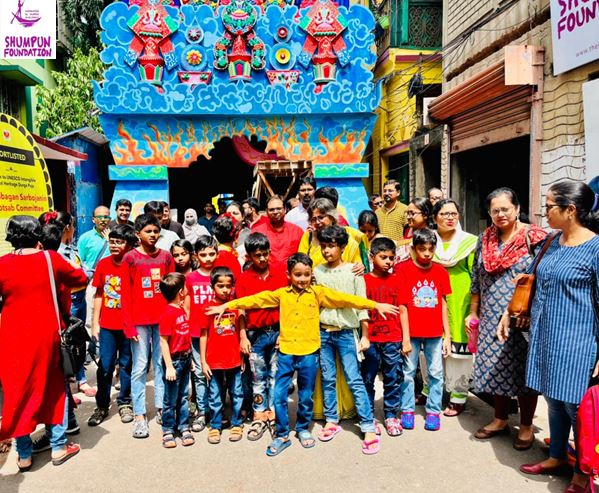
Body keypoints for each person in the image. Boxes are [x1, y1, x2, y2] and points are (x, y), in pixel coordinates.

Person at [206, 253, 400, 456]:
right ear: (288, 275)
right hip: (286, 353)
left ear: (311, 275)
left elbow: (345, 299)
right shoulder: (281, 294)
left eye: (306, 274)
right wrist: (226, 305)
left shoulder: (317, 293)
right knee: (279, 395)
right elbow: (255, 300)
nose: (302, 279)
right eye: (297, 274)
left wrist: (375, 305)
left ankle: (301, 429)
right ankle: (282, 434)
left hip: (309, 353)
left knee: (306, 396)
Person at [503, 181, 599, 493]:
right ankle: (557, 456)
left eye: (549, 207)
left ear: (570, 210)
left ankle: (583, 474)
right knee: (554, 402)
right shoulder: (552, 242)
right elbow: (528, 279)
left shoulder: (596, 249)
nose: (544, 213)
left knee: (577, 409)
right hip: (546, 337)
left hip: (579, 342)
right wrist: (509, 313)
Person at [0, 215, 87, 470]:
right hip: (47, 335)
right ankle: (59, 447)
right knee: (54, 388)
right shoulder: (51, 259)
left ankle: (24, 454)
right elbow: (81, 279)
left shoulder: (3, 264)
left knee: (17, 392)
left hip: (12, 338)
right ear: (38, 233)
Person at [468, 188, 546, 449]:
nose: (500, 214)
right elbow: (476, 278)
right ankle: (500, 419)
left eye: (505, 209)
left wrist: (528, 310)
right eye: (495, 210)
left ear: (517, 208)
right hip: (491, 315)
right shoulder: (486, 238)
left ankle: (525, 426)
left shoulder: (534, 237)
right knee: (495, 368)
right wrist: (474, 310)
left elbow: (544, 278)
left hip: (524, 316)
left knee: (524, 371)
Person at [312, 226, 381, 453]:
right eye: (323, 246)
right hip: (323, 332)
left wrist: (365, 336)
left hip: (347, 333)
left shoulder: (354, 271)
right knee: (328, 378)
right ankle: (332, 420)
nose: (327, 250)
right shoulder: (316, 272)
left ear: (343, 248)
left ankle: (368, 425)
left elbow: (362, 305)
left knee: (354, 378)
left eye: (331, 246)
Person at [121, 213, 175, 439]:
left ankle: (162, 408)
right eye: (148, 231)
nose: (153, 235)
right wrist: (128, 326)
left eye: (155, 231)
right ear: (137, 234)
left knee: (161, 365)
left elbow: (173, 289)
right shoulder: (130, 259)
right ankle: (140, 415)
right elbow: (124, 293)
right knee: (140, 367)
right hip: (138, 322)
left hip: (162, 319)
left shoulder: (165, 257)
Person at [397, 228, 451, 432]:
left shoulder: (440, 272)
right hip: (411, 332)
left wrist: (448, 335)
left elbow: (443, 304)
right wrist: (405, 338)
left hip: (435, 333)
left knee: (436, 373)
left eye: (431, 248)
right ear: (413, 249)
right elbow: (402, 306)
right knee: (408, 372)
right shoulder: (403, 270)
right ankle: (407, 410)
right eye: (422, 249)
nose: (427, 253)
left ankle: (433, 412)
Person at [236, 233, 287, 441]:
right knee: (258, 378)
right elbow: (240, 309)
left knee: (276, 377)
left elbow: (286, 306)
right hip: (254, 336)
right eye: (258, 255)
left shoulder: (280, 275)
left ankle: (274, 416)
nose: (263, 259)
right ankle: (259, 415)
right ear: (249, 256)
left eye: (266, 254)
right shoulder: (244, 279)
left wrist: (283, 333)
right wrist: (242, 336)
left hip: (276, 332)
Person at [41, 211, 96, 398]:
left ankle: (79, 380)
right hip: (68, 300)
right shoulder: (55, 253)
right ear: (67, 228)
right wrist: (86, 272)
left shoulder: (70, 248)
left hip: (79, 297)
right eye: (72, 225)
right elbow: (77, 274)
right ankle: (67, 387)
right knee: (67, 343)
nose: (73, 229)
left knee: (78, 342)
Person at [432, 199, 477, 417]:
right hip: (431, 295)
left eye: (453, 213)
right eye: (444, 214)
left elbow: (476, 276)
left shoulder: (469, 242)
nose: (450, 218)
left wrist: (475, 306)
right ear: (434, 218)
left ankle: (458, 394)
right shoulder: (426, 241)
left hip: (460, 296)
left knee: (459, 346)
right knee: (431, 342)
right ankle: (430, 387)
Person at [88, 224, 137, 427]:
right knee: (105, 366)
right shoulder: (103, 264)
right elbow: (99, 293)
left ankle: (125, 402)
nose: (114, 245)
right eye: (112, 241)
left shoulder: (133, 264)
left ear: (129, 245)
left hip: (128, 326)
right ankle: (101, 404)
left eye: (119, 242)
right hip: (107, 325)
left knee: (126, 365)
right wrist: (94, 324)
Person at [361, 237, 409, 436]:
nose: (388, 261)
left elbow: (403, 310)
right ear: (372, 257)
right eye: (383, 257)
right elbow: (361, 310)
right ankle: (368, 414)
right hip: (370, 340)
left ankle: (390, 414)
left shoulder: (398, 279)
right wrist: (363, 337)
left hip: (393, 338)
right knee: (368, 378)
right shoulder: (363, 280)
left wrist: (406, 339)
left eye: (391, 258)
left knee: (392, 377)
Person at [199, 267, 250, 444]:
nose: (225, 289)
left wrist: (243, 357)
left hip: (234, 360)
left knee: (237, 393)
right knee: (214, 395)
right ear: (212, 286)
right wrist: (203, 361)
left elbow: (241, 331)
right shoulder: (207, 308)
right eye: (220, 285)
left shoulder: (236, 307)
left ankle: (237, 423)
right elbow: (203, 335)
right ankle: (215, 425)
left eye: (229, 286)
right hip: (213, 362)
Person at [185, 235, 218, 432]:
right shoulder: (190, 278)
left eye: (211, 254)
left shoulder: (223, 275)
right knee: (199, 373)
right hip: (197, 333)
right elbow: (187, 309)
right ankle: (202, 411)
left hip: (220, 333)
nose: (208, 258)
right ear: (196, 256)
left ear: (217, 253)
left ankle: (217, 410)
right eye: (203, 254)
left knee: (217, 372)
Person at [158, 272, 195, 448]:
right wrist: (169, 367)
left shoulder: (180, 309)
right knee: (170, 399)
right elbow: (163, 342)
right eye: (186, 287)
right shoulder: (168, 313)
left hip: (185, 359)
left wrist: (191, 358)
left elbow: (184, 336)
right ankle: (168, 429)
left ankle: (183, 426)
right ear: (181, 291)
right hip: (173, 361)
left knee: (183, 397)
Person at [299, 198, 364, 270]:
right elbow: (301, 262)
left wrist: (360, 266)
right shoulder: (308, 237)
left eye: (321, 217)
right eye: (314, 219)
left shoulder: (347, 239)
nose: (317, 222)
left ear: (332, 217)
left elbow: (357, 266)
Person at [252, 195, 304, 270]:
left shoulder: (297, 231)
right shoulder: (257, 231)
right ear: (266, 211)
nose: (275, 212)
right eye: (271, 210)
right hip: (266, 276)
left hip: (291, 277)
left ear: (285, 210)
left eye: (278, 209)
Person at [397, 197, 433, 262]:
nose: (408, 217)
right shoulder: (407, 229)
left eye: (412, 213)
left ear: (425, 215)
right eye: (407, 213)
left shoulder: (432, 235)